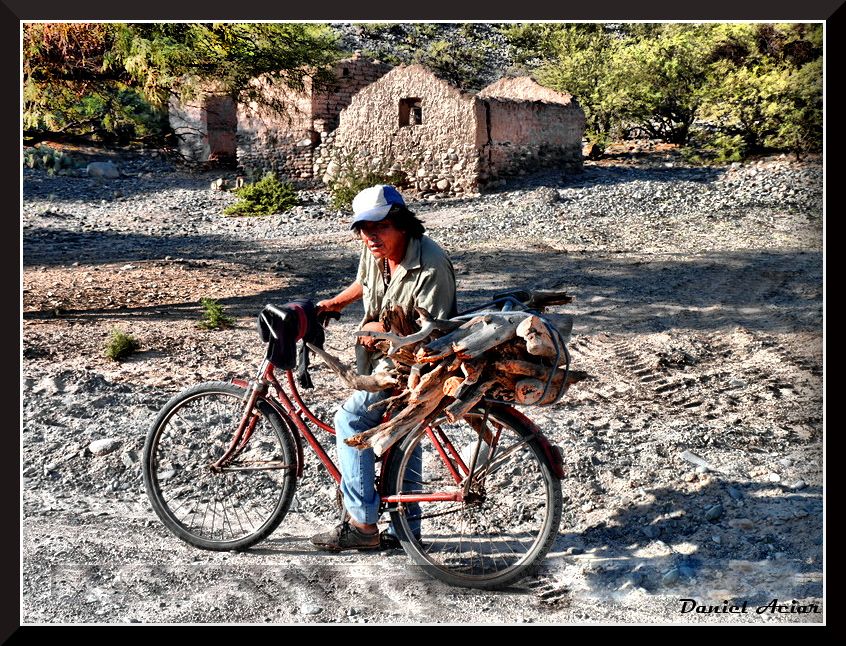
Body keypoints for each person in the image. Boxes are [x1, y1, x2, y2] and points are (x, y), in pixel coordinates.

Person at [310, 184, 457, 551]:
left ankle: (362, 524)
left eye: (379, 227)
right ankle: (409, 532)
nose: (370, 235)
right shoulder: (374, 251)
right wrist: (334, 303)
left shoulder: (431, 266)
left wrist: (381, 333)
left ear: (403, 224)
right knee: (403, 439)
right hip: (385, 360)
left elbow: (432, 334)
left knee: (351, 420)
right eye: (363, 228)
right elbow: (365, 281)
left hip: (417, 367)